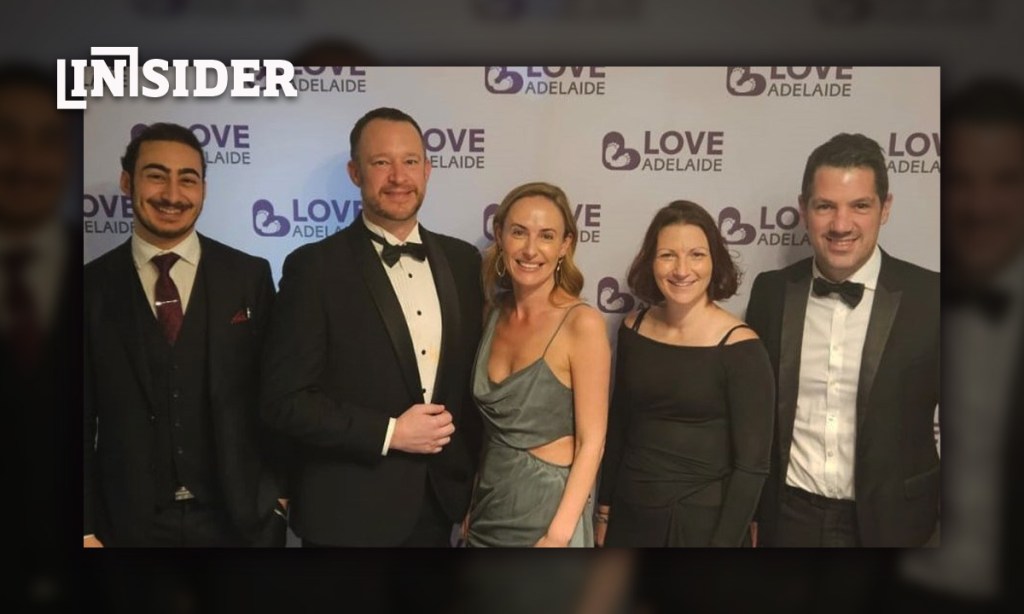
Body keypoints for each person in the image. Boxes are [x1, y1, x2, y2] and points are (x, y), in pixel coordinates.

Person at [260, 107, 483, 547]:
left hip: (440, 509)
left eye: (411, 161)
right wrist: (391, 433)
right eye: (381, 162)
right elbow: (285, 400)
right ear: (354, 172)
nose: (398, 177)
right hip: (347, 512)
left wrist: (474, 489)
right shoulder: (313, 268)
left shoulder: (463, 262)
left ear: (429, 169)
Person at [83, 122, 287, 546]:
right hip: (125, 526)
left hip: (240, 522)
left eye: (188, 179)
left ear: (204, 189)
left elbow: (279, 392)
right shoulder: (89, 288)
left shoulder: (249, 276)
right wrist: (84, 527)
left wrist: (280, 496)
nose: (172, 195)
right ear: (127, 182)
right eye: (156, 175)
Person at [746, 132, 940, 547]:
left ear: (885, 209)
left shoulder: (933, 299)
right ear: (804, 210)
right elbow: (754, 418)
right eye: (825, 206)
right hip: (787, 520)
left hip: (897, 525)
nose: (840, 225)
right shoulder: (771, 291)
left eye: (860, 206)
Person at [596, 200, 773, 547]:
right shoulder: (633, 327)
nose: (681, 270)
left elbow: (752, 467)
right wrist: (604, 509)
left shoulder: (742, 347)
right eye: (667, 255)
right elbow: (619, 423)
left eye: (696, 254)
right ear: (651, 261)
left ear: (714, 261)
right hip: (631, 514)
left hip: (702, 524)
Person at [465, 181, 609, 548]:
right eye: (518, 233)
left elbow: (592, 442)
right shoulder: (492, 313)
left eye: (546, 236)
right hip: (488, 510)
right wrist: (471, 504)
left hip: (548, 517)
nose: (531, 249)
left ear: (565, 246)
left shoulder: (582, 324)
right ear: (499, 236)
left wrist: (559, 535)